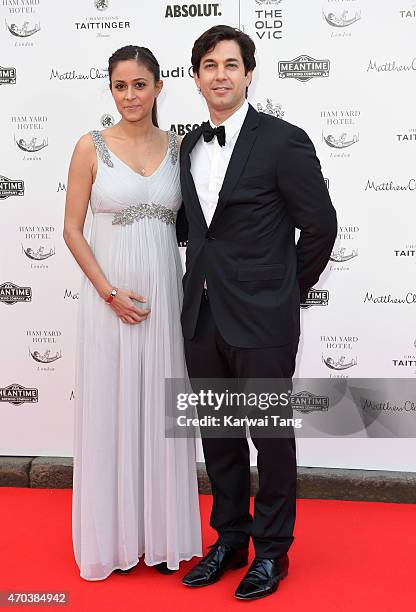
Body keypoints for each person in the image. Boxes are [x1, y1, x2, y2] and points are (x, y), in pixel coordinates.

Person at [177, 25, 337, 600]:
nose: (220, 75)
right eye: (209, 66)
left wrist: (283, 290)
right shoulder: (188, 147)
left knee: (269, 439)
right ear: (195, 78)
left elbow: (320, 226)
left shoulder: (282, 140)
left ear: (248, 74)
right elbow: (192, 230)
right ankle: (230, 540)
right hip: (201, 318)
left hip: (264, 320)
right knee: (218, 437)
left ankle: (271, 551)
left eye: (230, 65)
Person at [64, 45, 202, 582]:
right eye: (120, 86)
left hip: (166, 297)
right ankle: (114, 538)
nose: (130, 96)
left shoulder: (180, 150)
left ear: (159, 87)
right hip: (110, 297)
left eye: (140, 85)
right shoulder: (89, 147)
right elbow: (73, 229)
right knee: (113, 408)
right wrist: (108, 292)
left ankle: (161, 536)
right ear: (110, 89)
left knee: (162, 414)